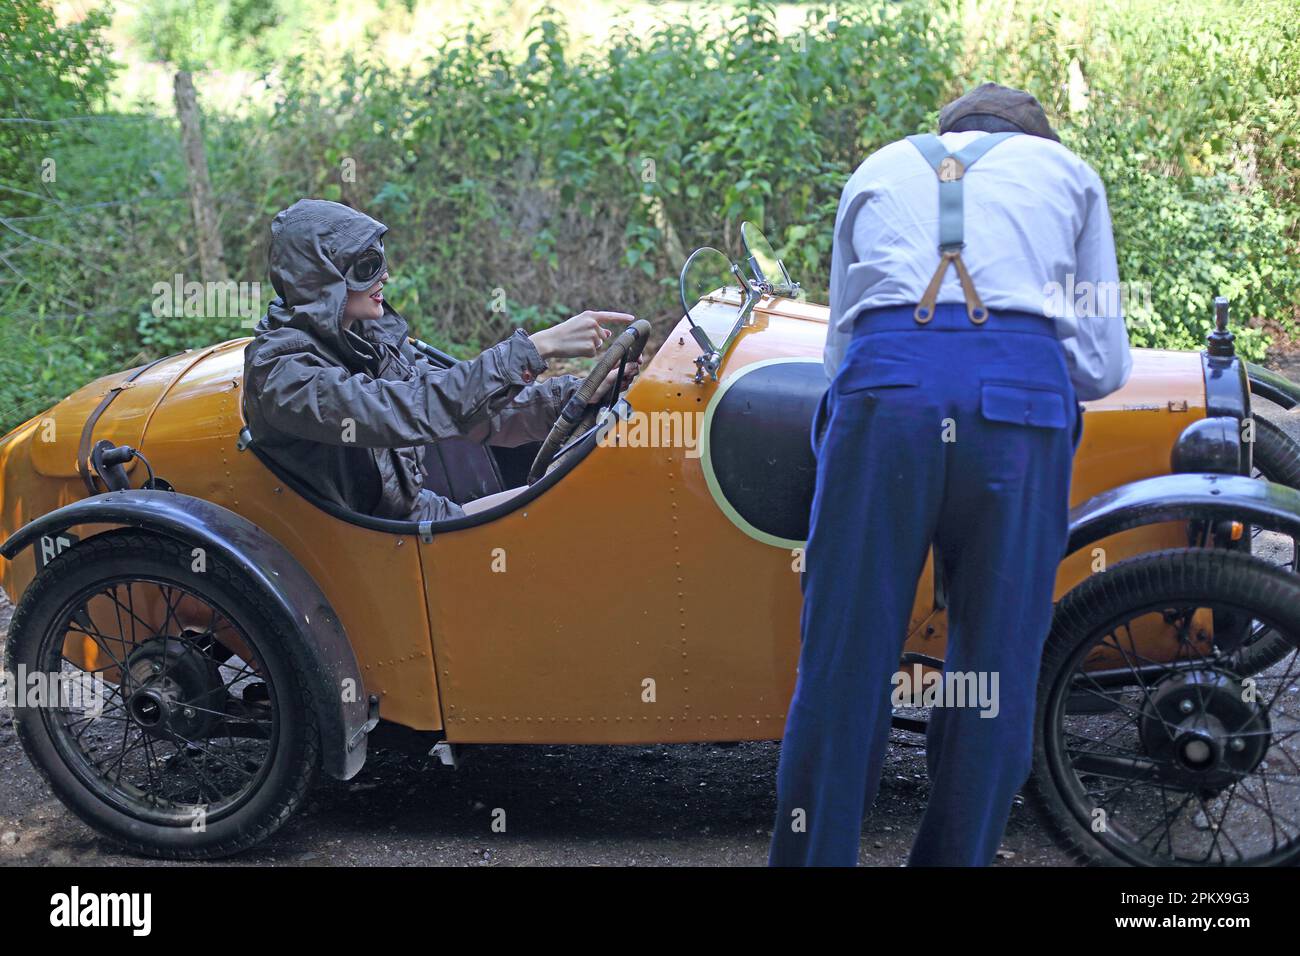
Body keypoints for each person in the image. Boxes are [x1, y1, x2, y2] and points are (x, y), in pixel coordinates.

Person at [769, 83, 1133, 866]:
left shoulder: (875, 169)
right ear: (1037, 138)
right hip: (1018, 409)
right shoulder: (1069, 176)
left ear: (948, 134)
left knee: (843, 658)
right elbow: (1103, 368)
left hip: (886, 397)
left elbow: (839, 351)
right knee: (994, 667)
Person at [242, 199, 637, 522]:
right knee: (560, 517)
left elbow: (475, 411)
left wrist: (574, 396)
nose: (384, 277)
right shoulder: (282, 373)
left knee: (578, 501)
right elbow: (409, 408)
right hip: (376, 544)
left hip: (414, 514)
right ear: (321, 279)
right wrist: (536, 347)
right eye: (366, 267)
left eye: (381, 260)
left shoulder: (366, 337)